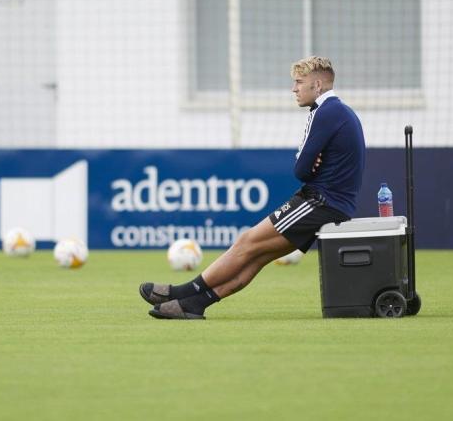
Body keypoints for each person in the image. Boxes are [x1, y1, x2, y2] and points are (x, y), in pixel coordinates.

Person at [139, 56, 366, 320]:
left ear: (317, 85)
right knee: (257, 257)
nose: (294, 89)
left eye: (299, 82)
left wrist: (307, 161)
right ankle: (194, 305)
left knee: (246, 242)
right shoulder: (340, 111)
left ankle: (180, 291)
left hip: (321, 202)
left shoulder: (325, 112)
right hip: (333, 204)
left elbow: (301, 170)